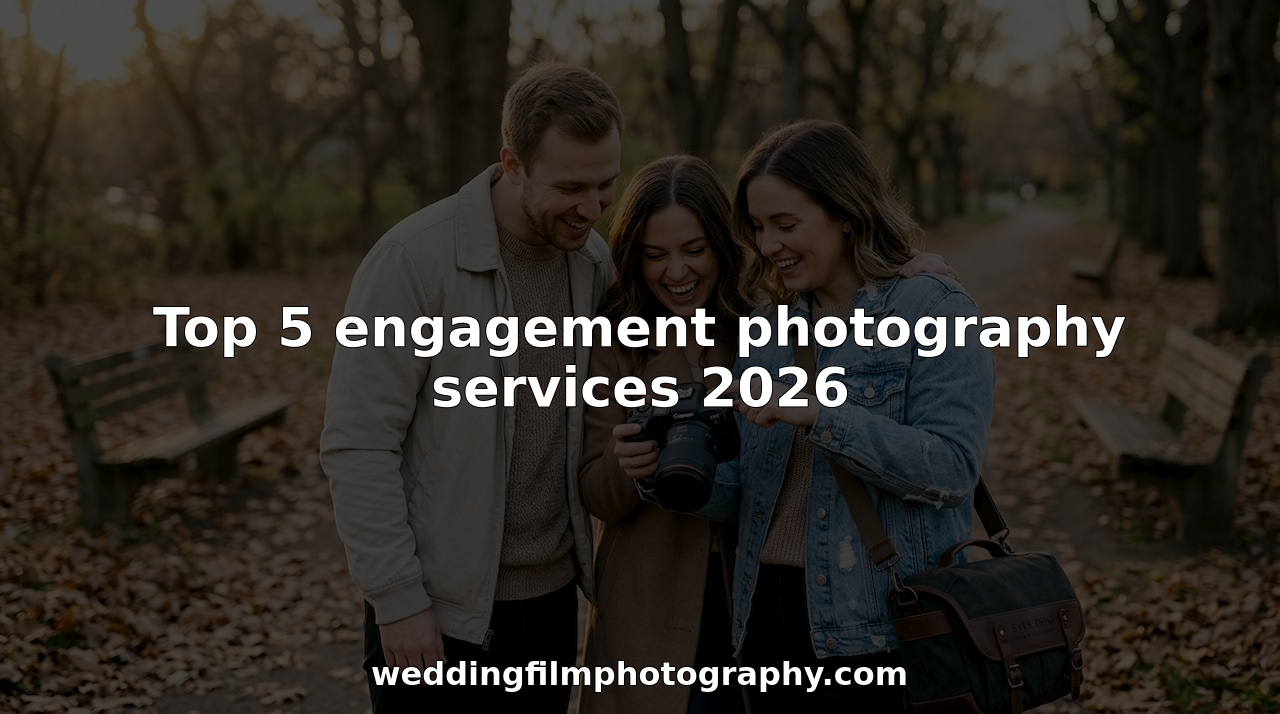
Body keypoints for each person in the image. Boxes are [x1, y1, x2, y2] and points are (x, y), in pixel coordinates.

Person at [582, 154, 960, 714]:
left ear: (723, 245)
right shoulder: (614, 342)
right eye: (654, 255)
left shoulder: (769, 327)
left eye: (694, 250)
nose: (676, 272)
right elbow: (596, 492)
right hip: (651, 607)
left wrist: (903, 268)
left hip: (761, 602)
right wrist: (631, 466)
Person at [320, 61, 622, 712]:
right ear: (512, 164)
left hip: (549, 605)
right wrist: (398, 600)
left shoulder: (593, 261)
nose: (592, 209)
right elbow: (358, 444)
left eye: (606, 187)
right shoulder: (412, 261)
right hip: (436, 613)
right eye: (572, 187)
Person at [677, 119, 994, 713]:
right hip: (765, 624)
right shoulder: (768, 327)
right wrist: (671, 475)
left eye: (786, 224)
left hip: (879, 634)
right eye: (759, 227)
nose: (768, 245)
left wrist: (822, 414)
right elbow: (752, 495)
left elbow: (953, 471)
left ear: (847, 213)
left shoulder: (934, 306)